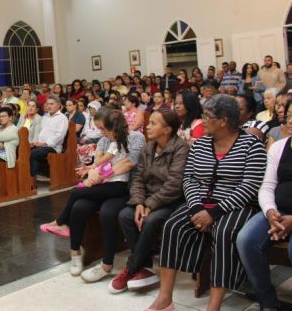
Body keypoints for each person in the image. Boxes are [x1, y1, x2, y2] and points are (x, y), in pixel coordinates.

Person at [147, 95, 267, 311]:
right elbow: (189, 179)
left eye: (207, 116)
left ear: (224, 120)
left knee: (224, 232)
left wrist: (214, 212)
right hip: (200, 203)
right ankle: (165, 299)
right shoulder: (200, 144)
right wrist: (196, 207)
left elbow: (250, 185)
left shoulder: (252, 145)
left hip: (236, 205)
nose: (203, 121)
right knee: (172, 226)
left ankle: (214, 306)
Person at [40, 110, 145, 280]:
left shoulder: (135, 137)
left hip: (123, 187)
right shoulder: (105, 140)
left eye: (103, 128)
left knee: (106, 211)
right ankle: (75, 253)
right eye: (99, 129)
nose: (101, 132)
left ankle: (106, 263)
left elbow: (128, 163)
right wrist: (92, 172)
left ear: (114, 126)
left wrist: (100, 174)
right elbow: (98, 162)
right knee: (79, 206)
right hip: (104, 185)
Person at [111, 110, 188, 293]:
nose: (148, 126)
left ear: (167, 129)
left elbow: (174, 185)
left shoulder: (181, 148)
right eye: (149, 122)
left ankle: (131, 268)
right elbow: (137, 178)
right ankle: (144, 266)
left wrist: (149, 205)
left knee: (151, 220)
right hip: (146, 199)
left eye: (154, 123)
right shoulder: (148, 147)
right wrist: (139, 203)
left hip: (171, 200)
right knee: (125, 215)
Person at [237, 132, 292, 311]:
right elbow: (267, 185)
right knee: (246, 240)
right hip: (278, 212)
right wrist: (270, 212)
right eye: (290, 118)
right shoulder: (279, 147)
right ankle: (268, 301)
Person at [29, 96, 68, 178]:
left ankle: (32, 179)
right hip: (41, 145)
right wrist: (35, 142)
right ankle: (26, 177)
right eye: (47, 104)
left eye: (51, 104)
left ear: (58, 105)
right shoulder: (45, 117)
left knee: (33, 154)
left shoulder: (62, 118)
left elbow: (59, 136)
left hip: (53, 147)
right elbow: (40, 132)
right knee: (23, 150)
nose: (49, 106)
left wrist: (44, 143)